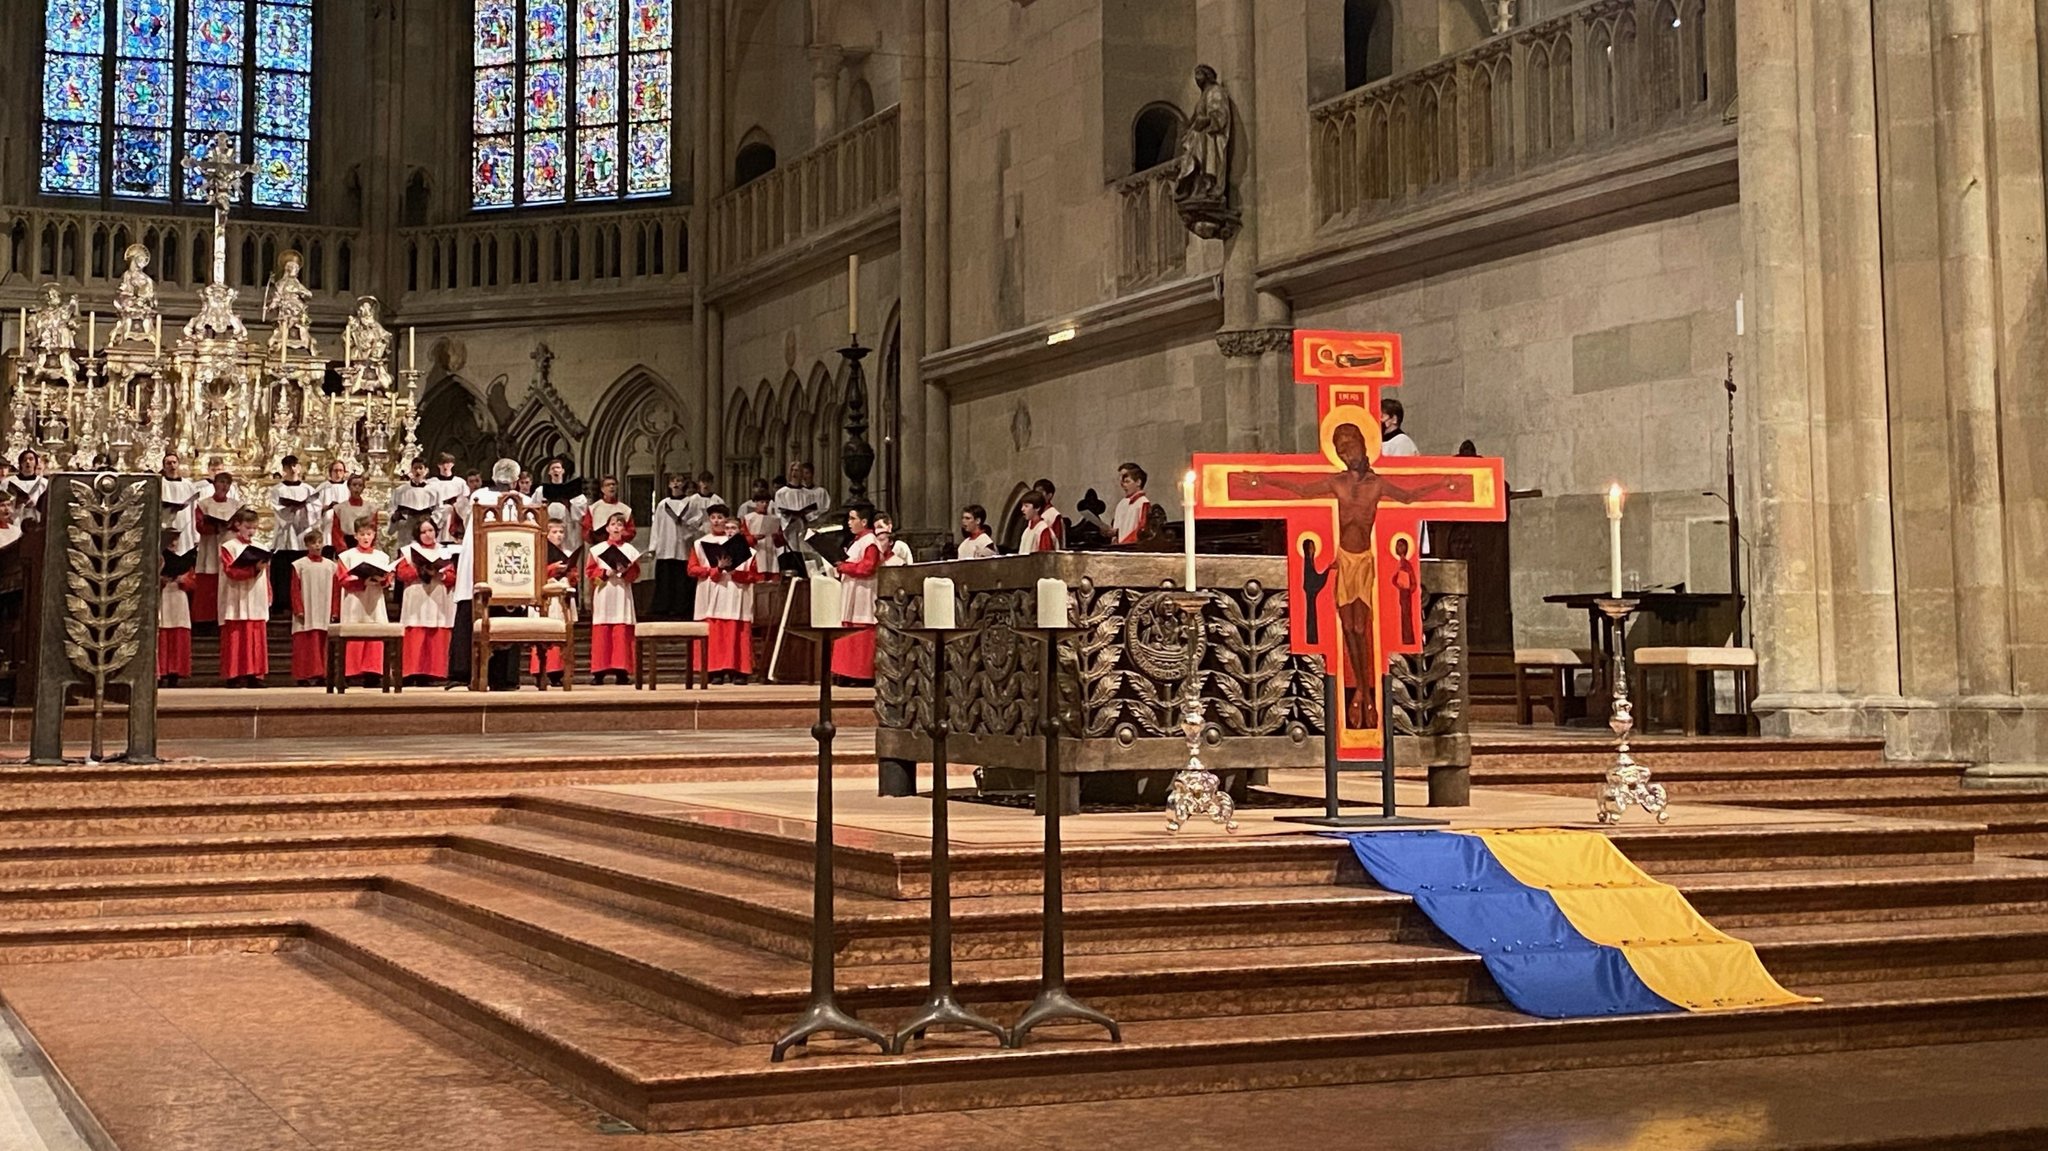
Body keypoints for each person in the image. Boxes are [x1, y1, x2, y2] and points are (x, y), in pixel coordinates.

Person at [687, 504, 762, 684]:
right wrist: (715, 569)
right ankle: (715, 670)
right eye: (713, 518)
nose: (717, 521)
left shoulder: (748, 551)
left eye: (721, 518)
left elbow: (754, 575)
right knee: (715, 631)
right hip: (712, 592)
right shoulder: (700, 544)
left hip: (737, 594)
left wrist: (735, 572)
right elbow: (692, 569)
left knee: (737, 631)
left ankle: (739, 670)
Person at [394, 519, 458, 685]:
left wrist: (440, 574)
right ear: (417, 534)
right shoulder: (409, 551)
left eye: (430, 530)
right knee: (416, 631)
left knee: (436, 632)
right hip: (417, 595)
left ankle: (434, 673)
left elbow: (452, 576)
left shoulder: (445, 552)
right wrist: (419, 569)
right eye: (423, 532)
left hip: (438, 595)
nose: (428, 535)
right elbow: (401, 573)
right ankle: (411, 672)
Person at [586, 513, 641, 684]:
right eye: (613, 524)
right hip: (604, 591)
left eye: (620, 525)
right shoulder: (597, 550)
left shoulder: (630, 551)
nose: (616, 527)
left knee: (621, 630)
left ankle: (622, 670)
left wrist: (625, 571)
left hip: (622, 592)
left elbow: (635, 574)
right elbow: (590, 574)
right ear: (607, 528)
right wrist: (604, 573)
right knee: (602, 630)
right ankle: (599, 672)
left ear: (624, 529)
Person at [218, 509, 271, 687]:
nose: (252, 531)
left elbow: (267, 575)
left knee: (255, 633)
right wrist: (253, 569)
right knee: (236, 634)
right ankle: (234, 674)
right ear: (238, 525)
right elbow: (231, 571)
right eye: (248, 527)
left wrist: (269, 593)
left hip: (256, 594)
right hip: (236, 595)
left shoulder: (261, 546)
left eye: (255, 528)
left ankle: (254, 674)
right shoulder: (229, 546)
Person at [338, 517, 393, 687]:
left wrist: (381, 580)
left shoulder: (381, 556)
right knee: (353, 633)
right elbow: (342, 578)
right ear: (355, 536)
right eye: (362, 534)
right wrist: (362, 582)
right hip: (355, 599)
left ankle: (373, 673)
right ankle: (349, 673)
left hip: (374, 598)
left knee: (375, 633)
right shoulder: (346, 556)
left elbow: (388, 579)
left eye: (369, 534)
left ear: (374, 535)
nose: (366, 538)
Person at [832, 503, 882, 684]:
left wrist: (844, 567)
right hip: (852, 591)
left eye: (853, 519)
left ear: (864, 521)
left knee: (861, 632)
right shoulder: (857, 542)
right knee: (848, 631)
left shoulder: (870, 541)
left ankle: (861, 675)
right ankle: (846, 672)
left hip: (863, 592)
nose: (849, 523)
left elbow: (868, 567)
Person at [650, 472, 710, 619]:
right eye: (673, 481)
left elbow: (698, 521)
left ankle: (681, 608)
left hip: (682, 545)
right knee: (665, 579)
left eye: (679, 481)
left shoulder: (691, 503)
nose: (676, 484)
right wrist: (653, 546)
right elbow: (656, 525)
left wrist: (687, 525)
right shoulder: (662, 504)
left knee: (682, 579)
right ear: (669, 484)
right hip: (665, 546)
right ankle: (662, 607)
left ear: (684, 484)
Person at [529, 520, 577, 686]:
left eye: (561, 532)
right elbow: (534, 572)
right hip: (546, 594)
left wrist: (571, 575)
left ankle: (558, 671)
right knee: (543, 633)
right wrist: (552, 568)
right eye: (555, 532)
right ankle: (540, 672)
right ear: (547, 534)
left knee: (562, 632)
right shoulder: (540, 551)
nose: (559, 535)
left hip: (562, 592)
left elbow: (574, 576)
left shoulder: (567, 552)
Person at [270, 455, 318, 614]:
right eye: (288, 466)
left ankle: (303, 602)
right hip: (285, 535)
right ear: (283, 469)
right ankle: (283, 602)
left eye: (294, 466)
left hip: (302, 533)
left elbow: (315, 510)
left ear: (299, 467)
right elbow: (278, 510)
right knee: (284, 571)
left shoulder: (308, 489)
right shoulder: (277, 490)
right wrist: (291, 508)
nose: (292, 470)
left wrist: (304, 508)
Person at [288, 529, 337, 686]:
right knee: (305, 644)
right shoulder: (299, 565)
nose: (317, 546)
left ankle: (322, 674)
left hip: (324, 608)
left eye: (319, 542)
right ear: (307, 545)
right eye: (313, 543)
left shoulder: (331, 566)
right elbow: (295, 590)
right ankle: (303, 675)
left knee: (322, 643)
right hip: (307, 608)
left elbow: (336, 590)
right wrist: (298, 609)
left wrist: (335, 610)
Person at [193, 472, 241, 627]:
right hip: (210, 545)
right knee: (209, 579)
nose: (224, 485)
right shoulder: (204, 504)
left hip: (229, 544)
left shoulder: (236, 505)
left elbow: (242, 523)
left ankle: (227, 617)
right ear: (214, 484)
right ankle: (206, 620)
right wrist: (214, 526)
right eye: (221, 482)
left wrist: (231, 525)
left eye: (228, 482)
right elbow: (199, 525)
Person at [772, 461, 832, 575]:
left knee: (806, 560)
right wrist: (791, 518)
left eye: (797, 470)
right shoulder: (781, 493)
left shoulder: (808, 494)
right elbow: (778, 513)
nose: (795, 473)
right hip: (789, 531)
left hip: (804, 529)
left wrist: (805, 517)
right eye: (793, 470)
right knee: (791, 559)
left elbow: (814, 511)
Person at [157, 547, 196, 687]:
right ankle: (160, 673)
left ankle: (175, 673)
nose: (174, 544)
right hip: (162, 597)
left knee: (178, 635)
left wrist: (183, 579)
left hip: (179, 597)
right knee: (162, 634)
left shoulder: (184, 558)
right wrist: (160, 579)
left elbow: (193, 583)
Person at [740, 479, 782, 575]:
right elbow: (743, 540)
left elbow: (780, 542)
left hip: (771, 555)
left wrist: (777, 537)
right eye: (762, 502)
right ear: (756, 502)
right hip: (756, 554)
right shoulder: (748, 519)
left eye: (767, 502)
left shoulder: (773, 519)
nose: (765, 505)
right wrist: (753, 538)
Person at [390, 459, 438, 541]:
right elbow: (392, 509)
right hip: (406, 530)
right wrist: (395, 517)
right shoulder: (401, 491)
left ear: (426, 470)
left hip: (426, 529)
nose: (417, 471)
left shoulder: (433, 491)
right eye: (415, 468)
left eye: (420, 468)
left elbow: (439, 510)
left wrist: (430, 520)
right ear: (411, 470)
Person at [580, 475, 636, 544]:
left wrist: (618, 534)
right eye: (608, 485)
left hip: (619, 546)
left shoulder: (625, 509)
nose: (611, 487)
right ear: (602, 489)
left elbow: (631, 531)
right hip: (598, 546)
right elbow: (586, 530)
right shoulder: (593, 508)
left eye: (613, 484)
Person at [330, 473, 376, 554]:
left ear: (363, 488)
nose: (357, 488)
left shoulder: (371, 508)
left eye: (360, 485)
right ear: (349, 486)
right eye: (354, 485)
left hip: (365, 543)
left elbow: (373, 529)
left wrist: (368, 547)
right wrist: (343, 550)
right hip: (346, 544)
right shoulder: (340, 508)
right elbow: (336, 531)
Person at [314, 460, 352, 556]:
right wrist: (327, 507)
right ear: (330, 472)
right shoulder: (322, 488)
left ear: (344, 472)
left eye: (340, 470)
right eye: (335, 471)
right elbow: (313, 509)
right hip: (328, 528)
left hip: (344, 529)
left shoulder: (349, 487)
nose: (338, 473)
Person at [1112, 463, 1152, 545]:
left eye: (1127, 481)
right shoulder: (1122, 503)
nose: (1123, 485)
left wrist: (1121, 538)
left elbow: (1142, 530)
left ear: (1138, 482)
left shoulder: (1143, 503)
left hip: (1131, 547)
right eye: (1122, 482)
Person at [1033, 478, 1069, 549]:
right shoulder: (1034, 513)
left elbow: (1056, 539)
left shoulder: (1054, 515)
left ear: (1049, 495)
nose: (1037, 496)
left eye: (1040, 493)